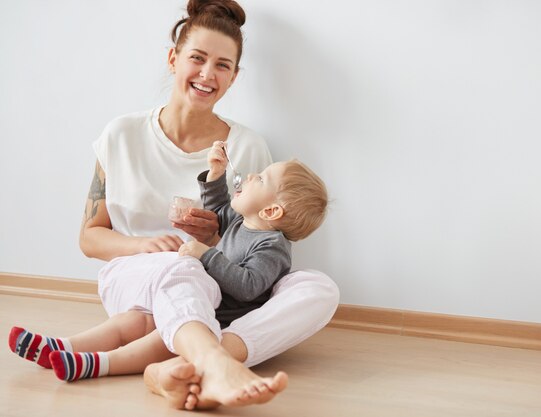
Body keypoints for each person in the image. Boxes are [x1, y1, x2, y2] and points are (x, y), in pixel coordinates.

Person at [70, 0, 337, 409]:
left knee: (319, 287)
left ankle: (188, 365)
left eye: (223, 65)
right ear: (173, 59)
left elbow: (251, 233)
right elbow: (90, 238)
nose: (207, 74)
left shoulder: (247, 146)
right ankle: (213, 362)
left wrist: (211, 234)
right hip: (140, 280)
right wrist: (143, 245)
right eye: (197, 58)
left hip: (219, 287)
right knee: (182, 264)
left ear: (234, 77)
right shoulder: (121, 134)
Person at [9, 146, 328, 409]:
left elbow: (248, 288)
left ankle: (98, 363)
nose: (252, 176)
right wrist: (215, 175)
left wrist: (207, 254)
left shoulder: (272, 247)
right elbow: (217, 212)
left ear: (272, 212)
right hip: (192, 300)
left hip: (215, 319)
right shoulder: (241, 221)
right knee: (130, 322)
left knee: (155, 339)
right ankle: (61, 346)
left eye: (262, 178)